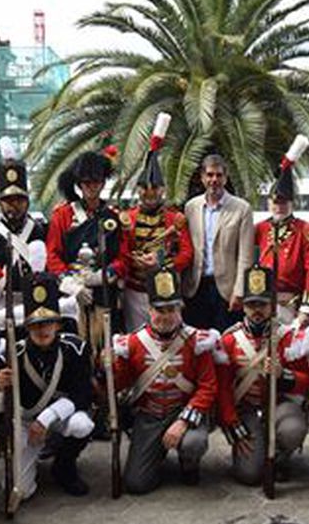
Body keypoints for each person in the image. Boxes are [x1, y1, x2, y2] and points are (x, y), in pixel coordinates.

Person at [112, 265, 219, 494]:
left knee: (193, 443)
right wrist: (106, 368)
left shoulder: (197, 341)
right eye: (160, 310)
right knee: (136, 484)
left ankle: (189, 463)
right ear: (149, 310)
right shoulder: (132, 343)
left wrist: (182, 422)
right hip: (149, 415)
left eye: (172, 309)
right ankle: (153, 456)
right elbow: (119, 384)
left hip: (182, 411)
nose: (166, 316)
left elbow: (207, 387)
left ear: (181, 309)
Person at [214, 263, 309, 485]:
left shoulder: (288, 337)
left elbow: (307, 381)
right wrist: (232, 424)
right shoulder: (230, 340)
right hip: (246, 409)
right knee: (249, 476)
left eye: (262, 304)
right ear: (244, 307)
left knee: (292, 429)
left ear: (272, 305)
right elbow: (222, 389)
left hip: (278, 406)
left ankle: (280, 457)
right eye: (252, 304)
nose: (257, 310)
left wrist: (284, 375)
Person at [0, 270, 94, 498]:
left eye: (48, 323)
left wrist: (46, 419)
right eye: (36, 324)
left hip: (59, 417)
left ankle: (64, 465)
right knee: (19, 492)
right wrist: (0, 388)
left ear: (58, 325)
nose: (42, 329)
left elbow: (82, 395)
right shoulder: (11, 352)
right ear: (26, 327)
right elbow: (0, 407)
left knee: (82, 425)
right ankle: (28, 456)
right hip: (25, 420)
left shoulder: (76, 348)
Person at [117, 113, 193, 332]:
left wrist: (162, 265)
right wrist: (134, 260)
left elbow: (187, 253)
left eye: (155, 189)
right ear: (139, 190)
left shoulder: (174, 219)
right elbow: (122, 250)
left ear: (162, 190)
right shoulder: (127, 218)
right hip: (135, 291)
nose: (150, 194)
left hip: (167, 289)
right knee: (137, 337)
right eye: (145, 189)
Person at [46, 148, 123, 357]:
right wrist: (70, 283)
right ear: (79, 184)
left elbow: (123, 256)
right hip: (73, 294)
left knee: (106, 350)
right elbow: (52, 255)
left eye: (96, 182)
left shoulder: (113, 216)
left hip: (104, 293)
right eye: (86, 182)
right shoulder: (63, 215)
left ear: (103, 183)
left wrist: (104, 275)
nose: (91, 187)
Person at [0, 137, 48, 320]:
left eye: (19, 200)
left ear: (28, 202)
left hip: (35, 304)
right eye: (8, 201)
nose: (13, 206)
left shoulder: (41, 231)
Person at [182, 154, 255, 332]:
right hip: (195, 288)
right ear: (202, 177)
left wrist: (239, 291)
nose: (214, 180)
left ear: (226, 177)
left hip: (227, 291)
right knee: (196, 343)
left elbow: (246, 255)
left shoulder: (242, 208)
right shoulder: (191, 207)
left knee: (226, 344)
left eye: (219, 175)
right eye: (210, 175)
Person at [255, 136, 309, 327]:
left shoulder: (305, 230)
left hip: (293, 305)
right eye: (276, 202)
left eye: (284, 202)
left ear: (292, 203)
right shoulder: (259, 229)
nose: (279, 207)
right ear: (269, 202)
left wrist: (307, 308)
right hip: (262, 302)